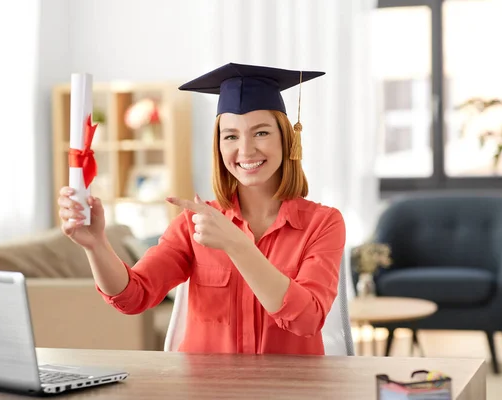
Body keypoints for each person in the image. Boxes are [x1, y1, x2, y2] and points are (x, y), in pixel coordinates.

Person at [57, 62, 346, 355]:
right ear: (218, 146)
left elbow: (307, 319)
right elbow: (134, 297)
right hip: (206, 390)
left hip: (289, 391)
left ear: (287, 139)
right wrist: (96, 245)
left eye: (261, 133)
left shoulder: (323, 224)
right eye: (231, 135)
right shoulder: (193, 224)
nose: (245, 150)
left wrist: (237, 245)